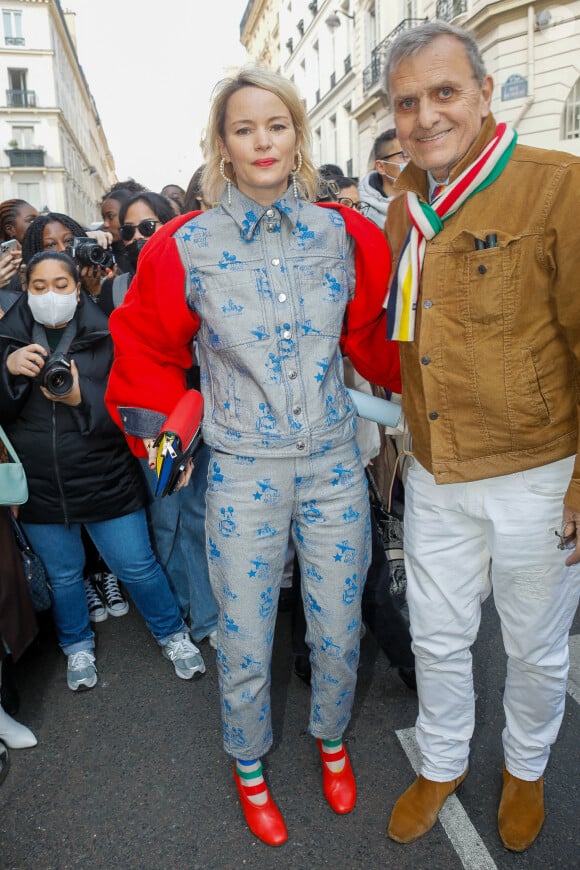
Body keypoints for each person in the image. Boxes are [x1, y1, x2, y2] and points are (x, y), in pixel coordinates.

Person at [105, 67, 399, 847]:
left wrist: (436, 407)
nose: (263, 140)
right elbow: (143, 356)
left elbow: (375, 337)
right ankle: (248, 766)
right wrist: (170, 455)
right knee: (244, 635)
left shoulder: (346, 233)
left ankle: (331, 741)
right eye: (244, 128)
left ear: (297, 134)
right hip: (241, 471)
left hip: (336, 465)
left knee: (338, 631)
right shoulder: (182, 246)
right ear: (223, 146)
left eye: (276, 124)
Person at [381, 21, 580, 853]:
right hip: (435, 473)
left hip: (539, 473)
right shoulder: (402, 209)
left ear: (486, 93)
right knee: (436, 634)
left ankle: (526, 768)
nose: (425, 116)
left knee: (534, 648)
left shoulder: (559, 186)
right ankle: (444, 759)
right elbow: (406, 342)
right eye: (406, 103)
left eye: (444, 92)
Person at [0, 251, 206, 692]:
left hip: (105, 479)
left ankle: (172, 635)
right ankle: (76, 645)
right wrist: (6, 369)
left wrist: (80, 399)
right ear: (24, 288)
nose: (50, 294)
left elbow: (130, 412)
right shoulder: (6, 340)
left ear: (78, 289)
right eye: (39, 286)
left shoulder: (110, 335)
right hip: (39, 489)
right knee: (63, 575)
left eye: (61, 285)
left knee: (137, 567)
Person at [114, 190, 219, 645]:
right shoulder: (113, 288)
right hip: (151, 417)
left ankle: (209, 617)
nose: (139, 237)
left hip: (202, 408)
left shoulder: (201, 268)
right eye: (129, 230)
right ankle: (178, 609)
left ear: (170, 223)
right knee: (165, 513)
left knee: (198, 516)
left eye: (149, 226)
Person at [358, 129, 406, 229]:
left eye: (413, 153)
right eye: (404, 156)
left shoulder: (428, 198)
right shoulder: (360, 210)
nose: (412, 161)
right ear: (381, 167)